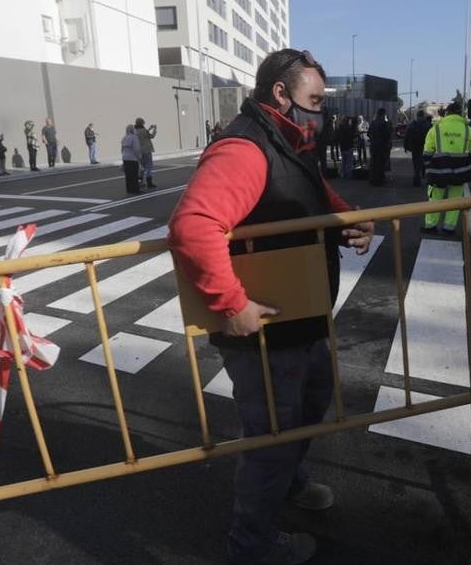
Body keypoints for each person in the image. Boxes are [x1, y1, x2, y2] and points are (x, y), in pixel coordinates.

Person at [168, 48, 373, 565]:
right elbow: (193, 227)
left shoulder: (289, 142)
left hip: (299, 316)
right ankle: (251, 547)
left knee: (307, 408)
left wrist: (348, 218)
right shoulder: (246, 148)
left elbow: (318, 194)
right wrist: (231, 304)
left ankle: (289, 483)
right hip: (263, 326)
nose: (320, 112)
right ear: (280, 94)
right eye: (314, 100)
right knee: (271, 440)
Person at [422, 99, 471, 234]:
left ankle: (431, 226)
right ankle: (449, 228)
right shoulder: (468, 129)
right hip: (460, 172)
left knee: (435, 199)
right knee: (455, 200)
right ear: (460, 114)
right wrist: (467, 166)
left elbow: (427, 152)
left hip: (438, 171)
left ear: (446, 113)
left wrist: (428, 167)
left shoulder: (435, 128)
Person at [404, 110, 431, 187]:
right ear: (423, 116)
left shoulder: (412, 124)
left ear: (417, 116)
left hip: (415, 147)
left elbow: (407, 135)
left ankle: (416, 179)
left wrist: (406, 146)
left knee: (416, 164)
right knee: (426, 163)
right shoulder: (427, 124)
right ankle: (426, 178)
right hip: (425, 147)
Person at [367, 108, 392, 186]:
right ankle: (379, 180)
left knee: (373, 162)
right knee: (380, 163)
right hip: (382, 146)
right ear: (383, 114)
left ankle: (372, 179)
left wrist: (373, 138)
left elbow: (368, 133)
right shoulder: (384, 123)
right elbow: (388, 134)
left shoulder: (373, 123)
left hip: (373, 145)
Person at [134, 117, 158, 189]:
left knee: (141, 167)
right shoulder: (144, 130)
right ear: (142, 123)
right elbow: (151, 136)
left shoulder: (135, 131)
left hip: (139, 151)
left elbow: (143, 133)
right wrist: (154, 129)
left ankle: (140, 182)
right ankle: (149, 183)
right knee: (148, 167)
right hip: (147, 150)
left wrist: (149, 128)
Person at [120, 125, 141, 195]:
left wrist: (123, 157)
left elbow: (122, 149)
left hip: (125, 158)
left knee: (128, 174)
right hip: (132, 158)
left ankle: (129, 189)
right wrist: (139, 157)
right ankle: (135, 189)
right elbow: (136, 149)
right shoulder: (134, 138)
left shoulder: (124, 138)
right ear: (132, 130)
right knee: (134, 174)